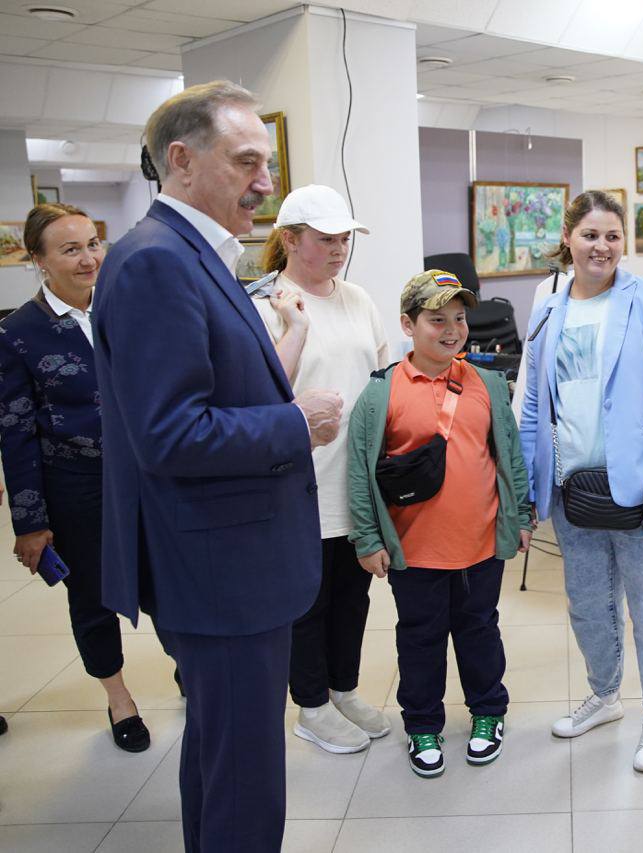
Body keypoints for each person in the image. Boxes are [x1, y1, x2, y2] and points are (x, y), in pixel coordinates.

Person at [93, 81, 342, 853]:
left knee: (222, 756)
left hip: (226, 562)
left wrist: (281, 373)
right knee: (245, 781)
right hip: (220, 572)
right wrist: (295, 421)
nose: (265, 182)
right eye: (246, 162)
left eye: (266, 163)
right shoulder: (155, 263)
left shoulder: (192, 256)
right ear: (181, 160)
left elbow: (213, 390)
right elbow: (169, 434)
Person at [519, 190, 643, 773]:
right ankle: (605, 694)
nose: (602, 246)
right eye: (590, 234)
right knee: (589, 606)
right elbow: (533, 405)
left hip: (642, 489)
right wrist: (530, 486)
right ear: (568, 238)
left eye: (613, 236)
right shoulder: (548, 307)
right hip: (573, 488)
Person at [347, 270, 533, 778]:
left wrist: (520, 516)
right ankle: (423, 723)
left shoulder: (487, 384)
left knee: (480, 632)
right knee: (420, 639)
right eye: (436, 320)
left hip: (480, 543)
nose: (452, 330)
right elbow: (360, 472)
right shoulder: (380, 393)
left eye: (459, 318)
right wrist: (367, 538)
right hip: (415, 550)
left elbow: (510, 457)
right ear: (408, 325)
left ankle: (488, 712)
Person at [0, 203, 154, 753]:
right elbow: (16, 432)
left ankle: (188, 663)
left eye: (93, 244)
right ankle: (119, 698)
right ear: (39, 260)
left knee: (168, 575)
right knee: (93, 593)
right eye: (71, 249)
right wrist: (30, 523)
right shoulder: (18, 333)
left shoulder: (127, 309)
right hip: (77, 483)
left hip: (148, 473)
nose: (89, 258)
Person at [253, 184, 392, 755]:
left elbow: (382, 377)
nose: (338, 250)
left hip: (356, 479)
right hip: (298, 481)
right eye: (326, 239)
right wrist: (294, 329)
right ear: (289, 239)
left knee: (352, 596)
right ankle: (311, 706)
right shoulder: (266, 306)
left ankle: (343, 690)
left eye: (344, 240)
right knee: (307, 602)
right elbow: (257, 398)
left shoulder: (357, 299)